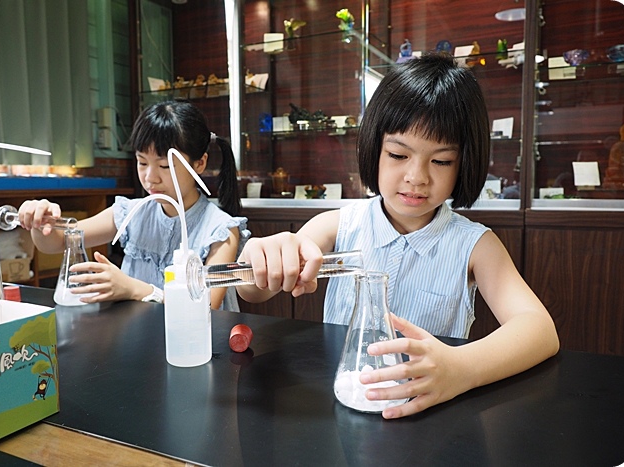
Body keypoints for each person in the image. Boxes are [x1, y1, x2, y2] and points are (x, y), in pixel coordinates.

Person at [236, 54, 559, 419]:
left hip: (430, 410)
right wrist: (264, 257)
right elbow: (254, 290)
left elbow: (539, 330)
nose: (416, 177)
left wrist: (461, 367)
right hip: (345, 399)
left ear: (464, 162)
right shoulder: (338, 225)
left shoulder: (474, 246)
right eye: (397, 154)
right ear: (375, 148)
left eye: (441, 161)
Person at [19, 100, 250, 311]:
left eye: (164, 166)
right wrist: (41, 221)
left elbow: (207, 304)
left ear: (199, 164)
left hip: (196, 350)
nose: (150, 177)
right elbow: (57, 242)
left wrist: (135, 289)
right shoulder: (130, 213)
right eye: (142, 162)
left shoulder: (220, 229)